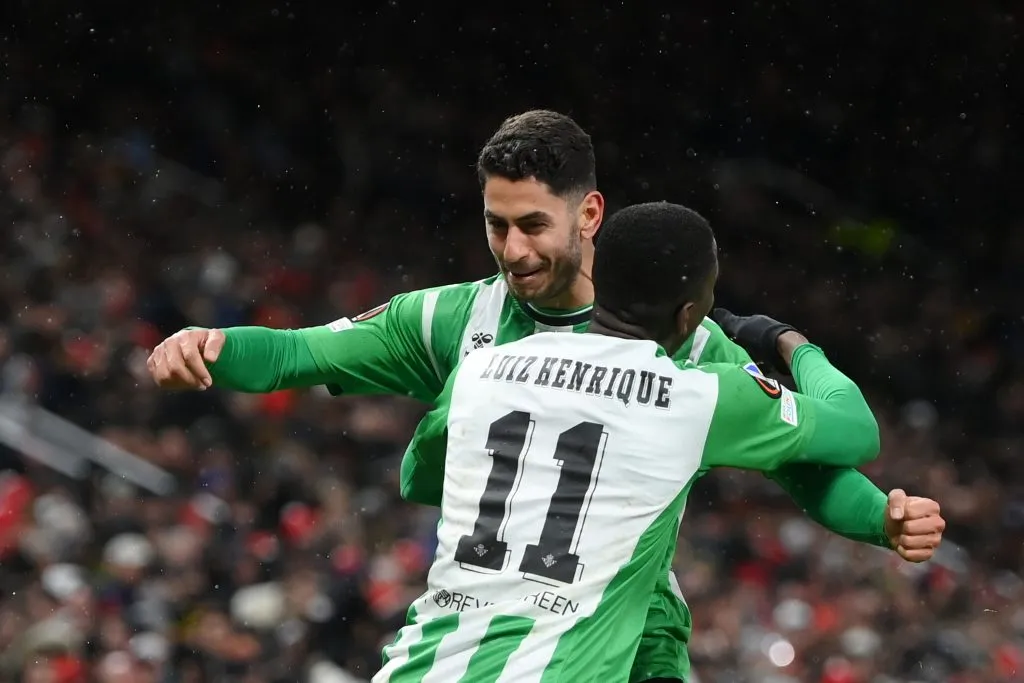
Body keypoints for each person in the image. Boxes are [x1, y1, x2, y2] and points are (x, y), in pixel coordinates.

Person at [146, 111, 945, 682]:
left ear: (590, 212)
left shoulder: (512, 358)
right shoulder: (470, 316)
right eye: (496, 225)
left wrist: (877, 517)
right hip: (536, 620)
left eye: (532, 224)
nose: (513, 250)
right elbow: (302, 350)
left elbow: (807, 473)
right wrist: (211, 346)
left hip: (624, 618)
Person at [375, 202, 880, 682]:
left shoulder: (482, 368)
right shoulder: (696, 397)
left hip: (415, 665)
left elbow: (419, 479)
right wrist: (782, 339)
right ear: (688, 316)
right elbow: (856, 429)